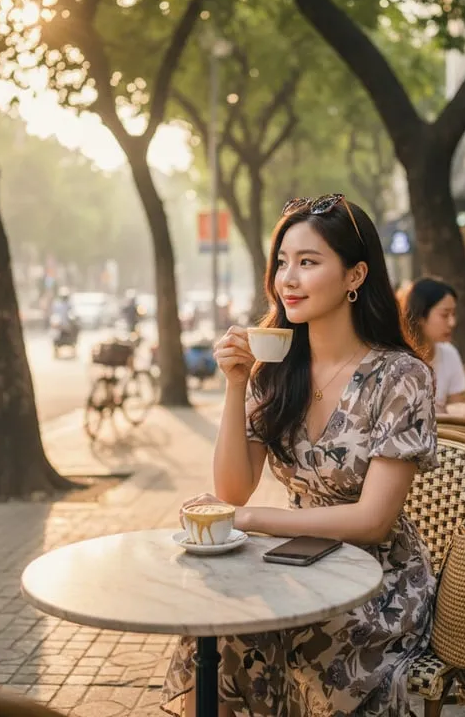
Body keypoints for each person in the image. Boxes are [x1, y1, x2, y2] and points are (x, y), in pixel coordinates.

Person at [162, 194, 437, 716]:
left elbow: (373, 521)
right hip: (297, 562)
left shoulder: (400, 377)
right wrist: (236, 384)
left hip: (379, 584)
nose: (287, 279)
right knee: (215, 628)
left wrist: (246, 520)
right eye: (282, 262)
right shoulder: (278, 368)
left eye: (308, 262)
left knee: (291, 635)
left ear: (355, 275)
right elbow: (232, 489)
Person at [404, 277, 465, 419]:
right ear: (420, 316)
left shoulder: (449, 353)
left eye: (453, 314)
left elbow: (455, 407)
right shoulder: (398, 360)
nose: (452, 322)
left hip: (446, 432)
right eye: (444, 315)